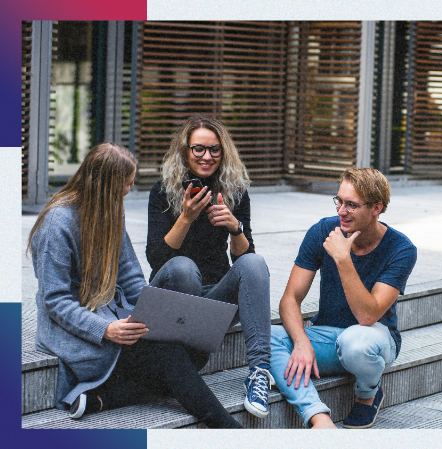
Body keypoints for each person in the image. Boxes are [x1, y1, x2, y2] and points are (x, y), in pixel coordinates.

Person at [28, 142, 242, 428]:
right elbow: (55, 302)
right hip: (76, 330)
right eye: (126, 184)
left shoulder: (110, 210)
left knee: (196, 353)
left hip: (114, 318)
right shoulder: (57, 223)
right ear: (106, 185)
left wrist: (151, 313)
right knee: (171, 356)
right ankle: (228, 429)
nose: (129, 189)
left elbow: (130, 276)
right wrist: (105, 329)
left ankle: (103, 398)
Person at [146, 114, 274, 419]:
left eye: (214, 150)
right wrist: (186, 217)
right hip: (174, 295)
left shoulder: (235, 191)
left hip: (214, 300)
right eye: (198, 149)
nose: (207, 157)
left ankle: (259, 373)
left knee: (255, 263)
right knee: (183, 268)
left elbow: (245, 260)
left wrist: (235, 228)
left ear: (224, 151)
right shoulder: (162, 191)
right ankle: (185, 360)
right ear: (185, 150)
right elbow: (156, 259)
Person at [269, 167, 417, 429]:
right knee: (267, 337)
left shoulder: (401, 249)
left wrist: (342, 258)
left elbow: (367, 316)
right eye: (339, 201)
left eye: (351, 205)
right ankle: (318, 417)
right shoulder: (324, 230)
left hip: (374, 340)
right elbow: (290, 299)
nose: (341, 211)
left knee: (356, 342)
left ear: (376, 208)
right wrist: (302, 341)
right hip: (327, 337)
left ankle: (367, 395)